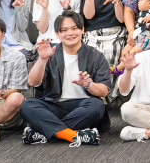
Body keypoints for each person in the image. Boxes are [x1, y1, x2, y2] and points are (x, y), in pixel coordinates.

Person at [21, 10, 111, 147]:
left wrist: (89, 84)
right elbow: (32, 82)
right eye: (64, 30)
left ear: (82, 30)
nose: (70, 33)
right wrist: (42, 59)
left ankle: (45, 131)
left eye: (74, 28)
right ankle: (73, 135)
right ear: (57, 34)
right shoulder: (49, 52)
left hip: (82, 106)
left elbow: (104, 91)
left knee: (97, 106)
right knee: (27, 105)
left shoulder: (96, 56)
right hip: (54, 104)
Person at [82, 0, 129, 97]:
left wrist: (117, 3)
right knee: (93, 55)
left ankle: (108, 96)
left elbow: (122, 20)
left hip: (115, 33)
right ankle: (93, 94)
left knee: (109, 53)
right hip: (93, 34)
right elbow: (88, 16)